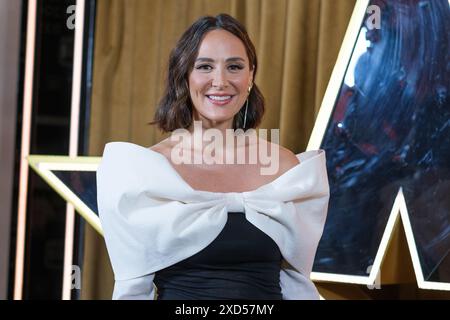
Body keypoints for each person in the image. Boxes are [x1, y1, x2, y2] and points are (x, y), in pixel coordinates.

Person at [97, 13, 329, 300]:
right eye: (205, 66)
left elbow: (297, 284)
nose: (220, 81)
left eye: (234, 66)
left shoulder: (286, 168)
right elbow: (133, 289)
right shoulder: (147, 172)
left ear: (250, 75)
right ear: (184, 75)